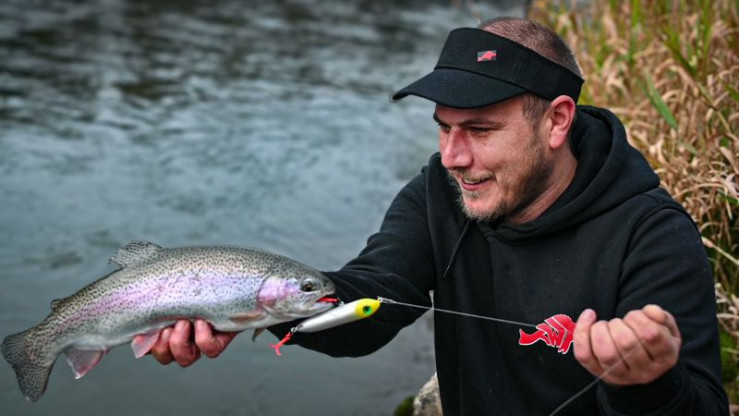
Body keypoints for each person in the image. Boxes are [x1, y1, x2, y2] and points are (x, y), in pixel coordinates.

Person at [149, 17, 728, 415]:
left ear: (556, 121)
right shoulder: (441, 191)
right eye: (444, 129)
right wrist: (254, 305)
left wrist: (643, 384)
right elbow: (371, 303)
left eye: (479, 130)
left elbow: (700, 404)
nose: (453, 157)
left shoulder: (654, 235)